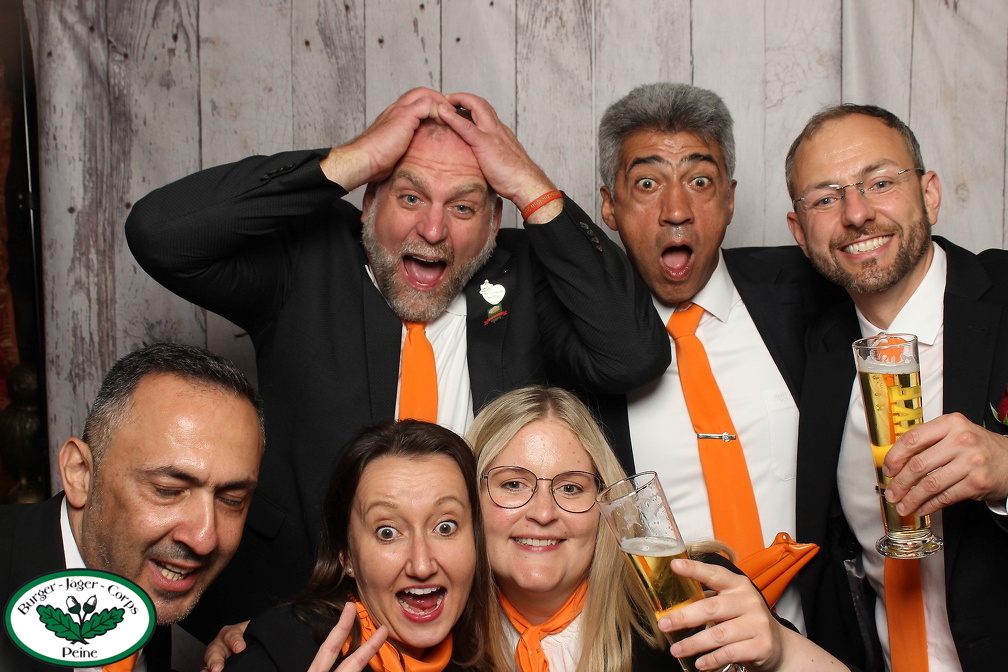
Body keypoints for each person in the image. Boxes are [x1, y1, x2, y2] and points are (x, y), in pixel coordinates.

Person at [124, 87, 670, 634]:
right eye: (410, 198)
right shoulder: (309, 259)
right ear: (369, 202)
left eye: (463, 207)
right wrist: (352, 158)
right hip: (294, 615)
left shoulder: (520, 277)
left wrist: (530, 185)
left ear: (492, 223)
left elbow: (632, 354)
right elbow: (159, 235)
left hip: (479, 629)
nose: (432, 230)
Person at [594, 82, 840, 630]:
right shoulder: (584, 348)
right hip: (672, 649)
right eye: (647, 183)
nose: (676, 211)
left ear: (729, 198)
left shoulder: (807, 294)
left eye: (699, 181)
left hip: (817, 646)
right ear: (609, 205)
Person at [785, 103, 1008, 671]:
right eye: (825, 199)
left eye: (880, 183)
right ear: (800, 233)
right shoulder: (814, 349)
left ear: (929, 194)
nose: (856, 214)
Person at [466, 385, 847, 672]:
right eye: (513, 484)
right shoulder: (443, 623)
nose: (543, 512)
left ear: (605, 504)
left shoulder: (690, 592)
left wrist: (781, 652)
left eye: (571, 488)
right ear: (468, 497)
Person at [0, 342, 264, 672]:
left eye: (231, 500)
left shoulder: (135, 572)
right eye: (168, 490)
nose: (204, 538)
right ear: (80, 474)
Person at [222, 419, 494, 672]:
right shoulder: (281, 650)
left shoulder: (488, 658)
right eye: (387, 532)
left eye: (445, 527)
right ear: (346, 555)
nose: (421, 566)